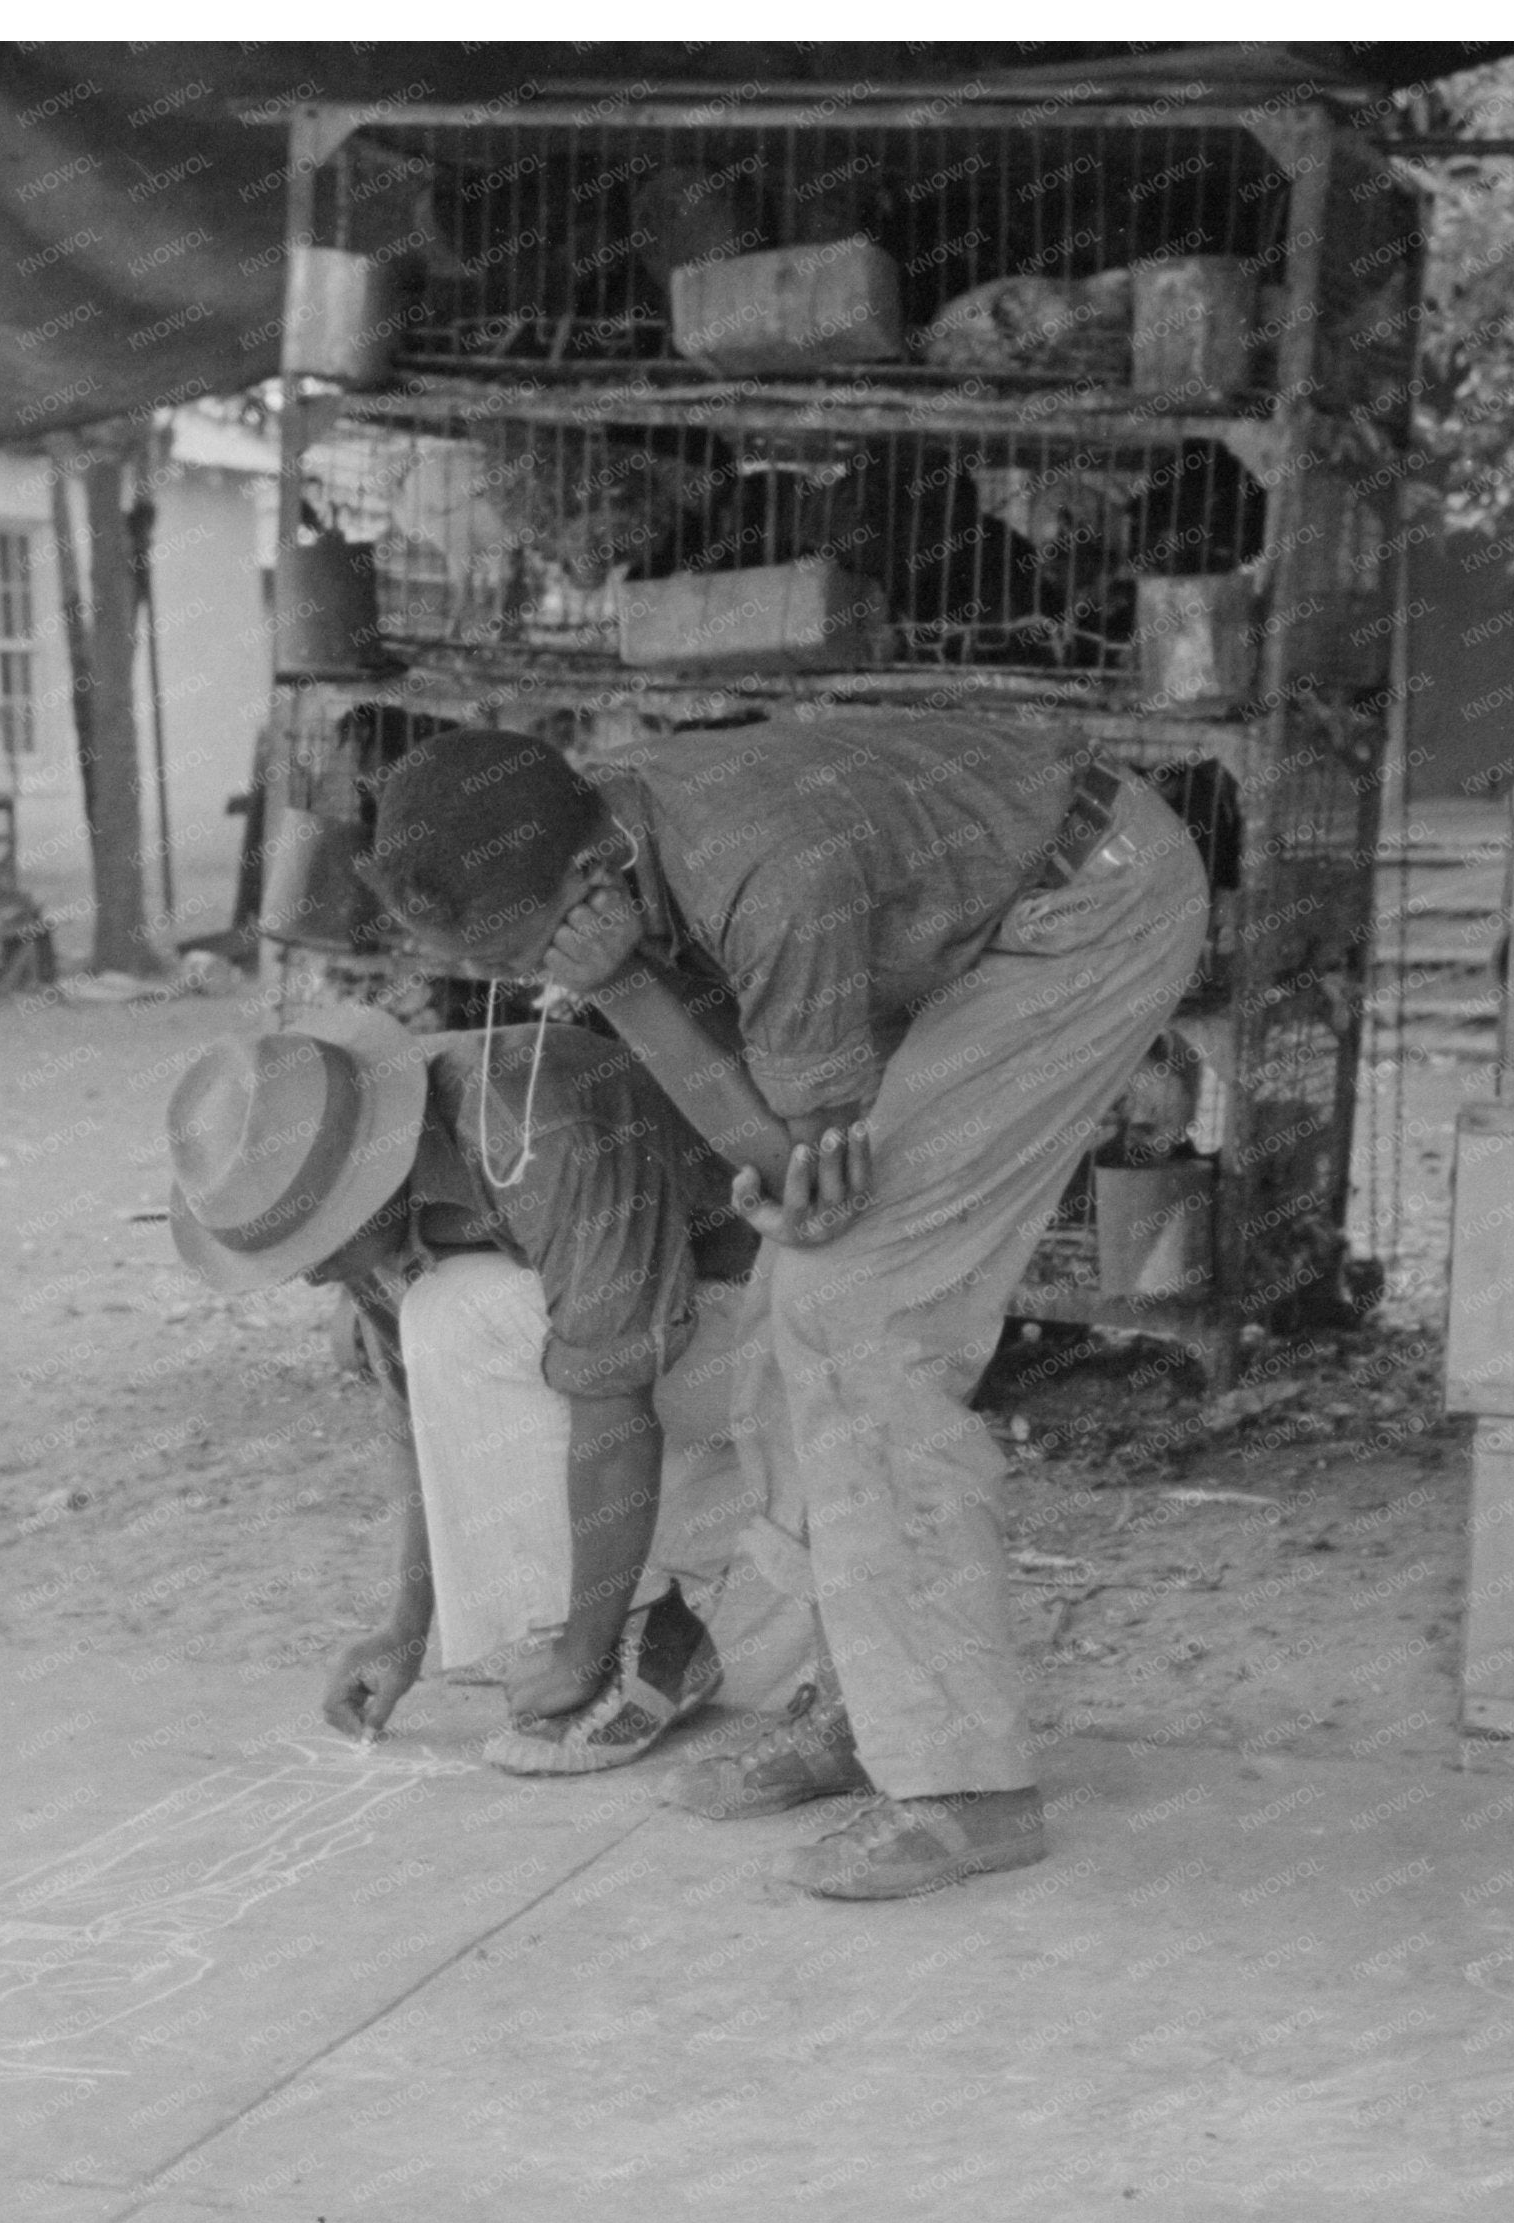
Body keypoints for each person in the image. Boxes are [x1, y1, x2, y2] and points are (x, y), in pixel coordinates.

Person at [367, 715, 1206, 1900]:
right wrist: (618, 980)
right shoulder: (622, 833)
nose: (524, 990)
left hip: (1087, 908)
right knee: (789, 1314)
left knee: (859, 1315)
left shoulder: (767, 872)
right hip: (974, 909)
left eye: (533, 953)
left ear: (588, 871)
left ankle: (962, 1783)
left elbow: (812, 1184)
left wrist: (621, 989)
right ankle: (862, 1705)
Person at [163, 1002, 762, 1776]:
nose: (311, 1273)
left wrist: (583, 1653)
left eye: (316, 1244)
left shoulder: (536, 1127)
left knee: (462, 1313)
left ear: (363, 1181)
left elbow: (614, 1404)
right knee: (442, 1315)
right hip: (660, 1349)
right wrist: (402, 1631)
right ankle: (598, 1627)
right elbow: (422, 1420)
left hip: (765, 1336)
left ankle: (648, 1644)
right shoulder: (355, 1171)